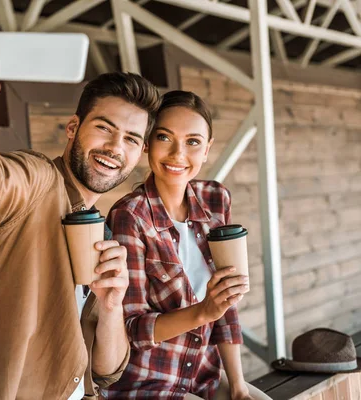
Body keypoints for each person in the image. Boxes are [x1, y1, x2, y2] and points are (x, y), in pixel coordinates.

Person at [0, 34, 161, 399]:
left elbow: (106, 372)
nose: (116, 147)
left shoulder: (101, 229)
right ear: (73, 128)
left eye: (131, 139)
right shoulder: (35, 182)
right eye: (104, 127)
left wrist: (114, 306)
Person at [104, 91, 272, 400]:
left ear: (207, 149)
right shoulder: (130, 216)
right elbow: (131, 329)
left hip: (202, 374)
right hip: (147, 381)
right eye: (165, 137)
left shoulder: (215, 199)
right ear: (147, 143)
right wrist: (203, 311)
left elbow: (227, 302)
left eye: (193, 142)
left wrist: (237, 387)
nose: (178, 154)